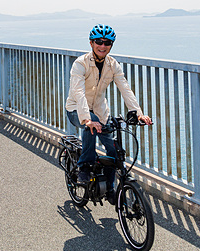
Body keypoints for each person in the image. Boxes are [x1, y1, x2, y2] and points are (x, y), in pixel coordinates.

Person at [65, 24, 153, 204]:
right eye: (99, 42)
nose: (103, 46)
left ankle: (111, 189)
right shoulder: (80, 64)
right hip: (76, 110)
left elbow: (125, 89)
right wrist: (87, 120)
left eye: (107, 43)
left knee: (114, 150)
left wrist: (138, 114)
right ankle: (84, 165)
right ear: (91, 43)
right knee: (93, 122)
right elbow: (79, 93)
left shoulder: (113, 65)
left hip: (100, 112)